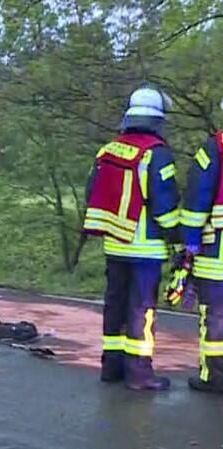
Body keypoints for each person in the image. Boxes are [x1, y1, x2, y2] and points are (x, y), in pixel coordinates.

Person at [83, 84, 181, 390]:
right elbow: (164, 206)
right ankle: (139, 373)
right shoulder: (157, 155)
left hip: (115, 243)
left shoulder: (107, 151)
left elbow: (91, 194)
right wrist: (179, 238)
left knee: (115, 303)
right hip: (146, 247)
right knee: (141, 308)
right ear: (157, 120)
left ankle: (111, 367)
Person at [180, 115, 223, 393]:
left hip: (218, 249)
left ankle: (215, 377)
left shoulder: (214, 148)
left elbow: (198, 195)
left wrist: (190, 242)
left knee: (216, 314)